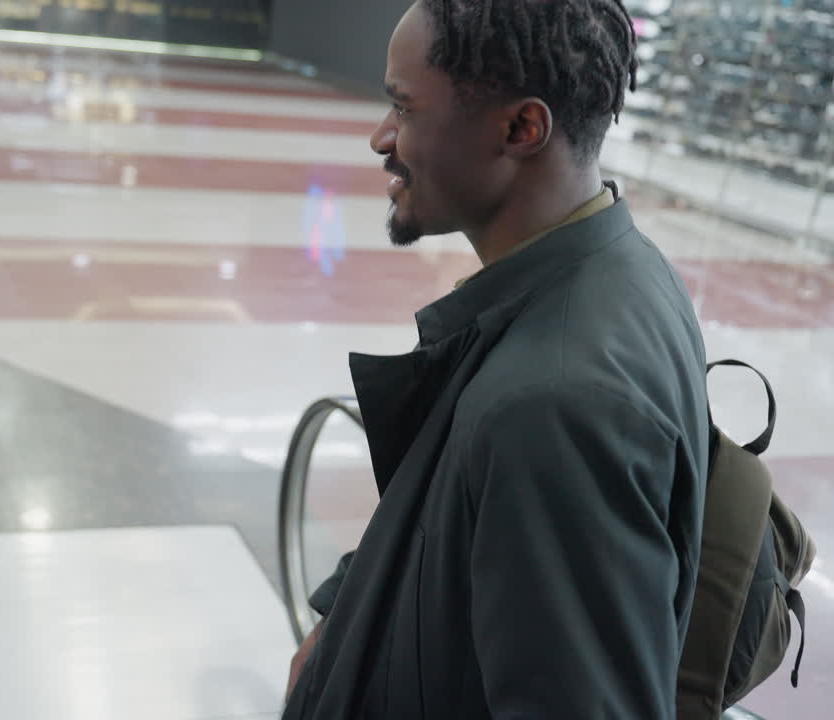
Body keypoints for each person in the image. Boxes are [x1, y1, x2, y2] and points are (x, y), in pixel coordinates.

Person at [284, 1, 709, 718]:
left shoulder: (555, 403)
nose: (380, 136)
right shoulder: (616, 269)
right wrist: (340, 620)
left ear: (521, 128)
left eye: (404, 108)